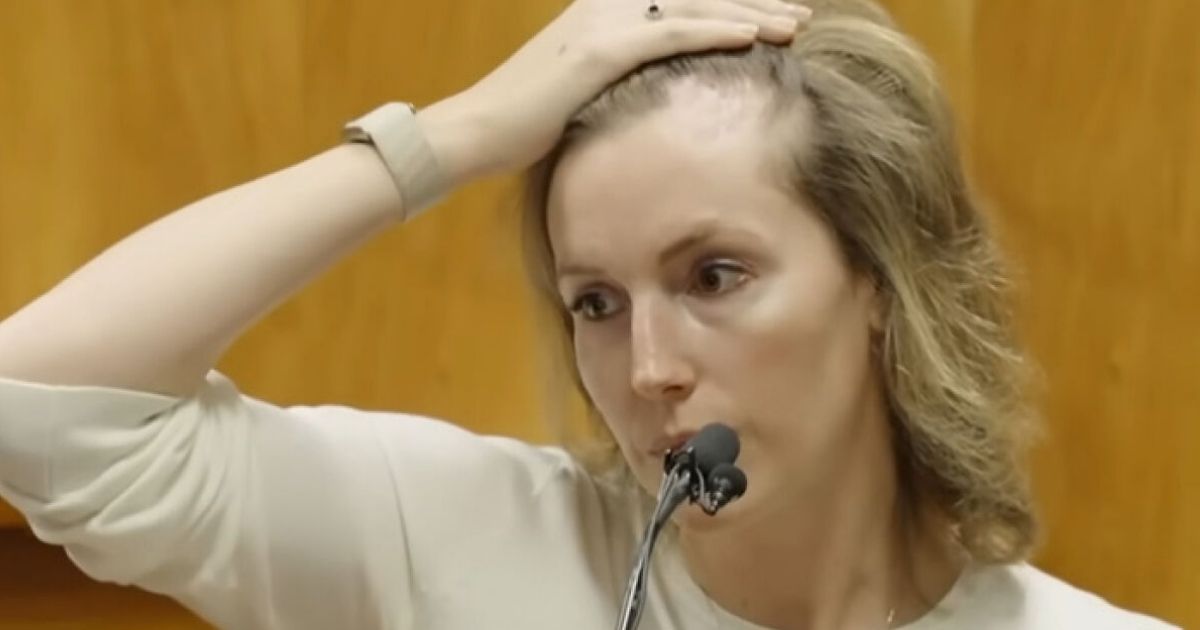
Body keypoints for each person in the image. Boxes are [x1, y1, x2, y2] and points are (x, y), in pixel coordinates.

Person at [0, 0, 1178, 628]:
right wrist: (449, 136)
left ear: (882, 278)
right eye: (596, 302)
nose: (648, 367)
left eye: (714, 276)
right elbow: (37, 404)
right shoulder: (460, 545)